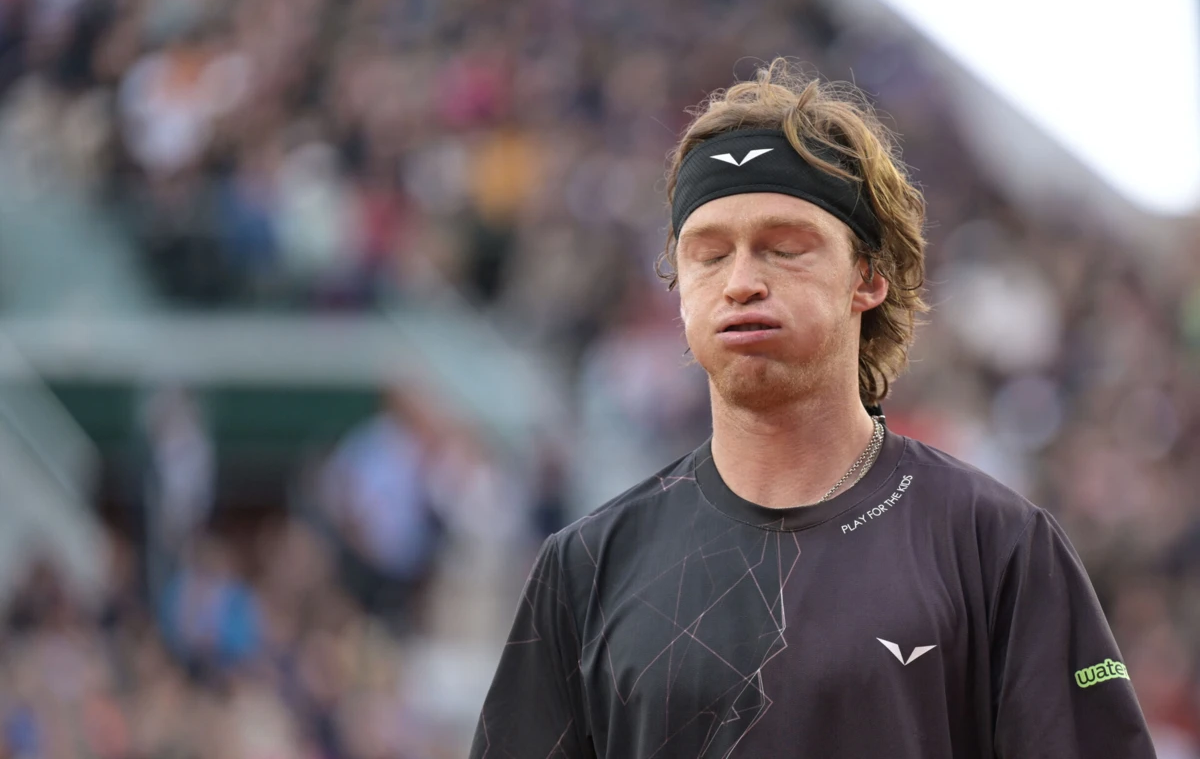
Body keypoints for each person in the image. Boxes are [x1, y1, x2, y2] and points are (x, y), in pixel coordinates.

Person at [469, 59, 1157, 758]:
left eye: (783, 248)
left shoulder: (997, 546)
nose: (740, 282)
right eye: (708, 255)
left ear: (868, 278)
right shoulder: (584, 568)